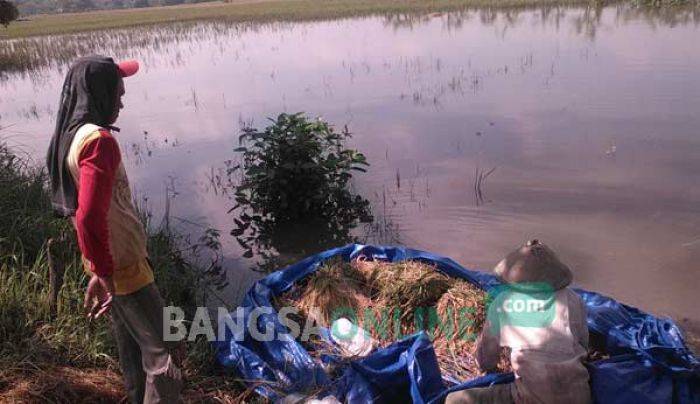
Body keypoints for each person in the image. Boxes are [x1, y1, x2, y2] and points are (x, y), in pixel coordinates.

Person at [46, 55, 183, 404]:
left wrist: (96, 267)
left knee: (132, 350)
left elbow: (85, 214)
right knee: (164, 354)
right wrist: (105, 269)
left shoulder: (73, 135)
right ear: (100, 93)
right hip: (123, 267)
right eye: (117, 89)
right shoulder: (99, 142)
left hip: (111, 264)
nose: (122, 98)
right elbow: (89, 215)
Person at [446, 239, 591, 404]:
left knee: (453, 400)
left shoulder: (503, 303)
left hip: (530, 397)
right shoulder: (573, 299)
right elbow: (583, 343)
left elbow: (487, 356)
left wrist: (488, 367)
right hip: (580, 395)